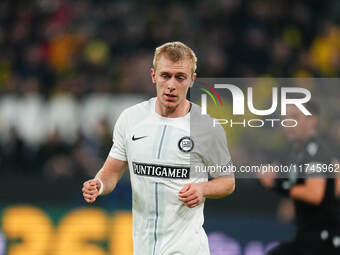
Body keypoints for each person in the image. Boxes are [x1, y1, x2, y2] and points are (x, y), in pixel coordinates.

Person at [82, 41, 235, 255]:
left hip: (186, 248)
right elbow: (112, 172)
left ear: (192, 80)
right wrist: (97, 184)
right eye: (165, 76)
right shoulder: (131, 119)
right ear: (154, 76)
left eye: (180, 77)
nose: (171, 84)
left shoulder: (207, 128)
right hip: (143, 248)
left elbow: (227, 182)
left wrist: (203, 188)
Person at [259, 102, 340, 255]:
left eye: (295, 117)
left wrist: (276, 184)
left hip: (324, 240)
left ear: (312, 120)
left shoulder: (316, 151)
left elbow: (315, 194)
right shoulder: (294, 152)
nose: (289, 124)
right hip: (307, 236)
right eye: (285, 119)